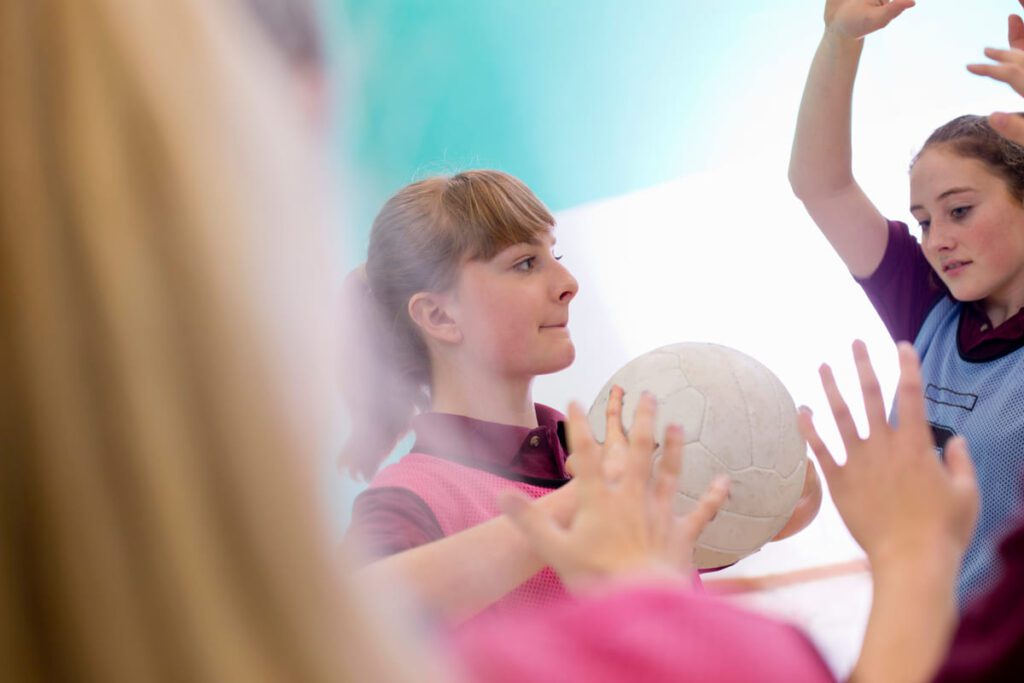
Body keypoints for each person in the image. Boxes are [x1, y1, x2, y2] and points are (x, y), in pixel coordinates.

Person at [341, 170, 823, 620]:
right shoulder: (412, 497)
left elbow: (774, 517)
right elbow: (354, 614)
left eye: (556, 256)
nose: (568, 284)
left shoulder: (607, 445)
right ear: (439, 316)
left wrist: (779, 473)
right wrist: (583, 500)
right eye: (525, 263)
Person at [788, 0, 1024, 607]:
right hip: (921, 638)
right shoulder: (930, 305)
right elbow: (821, 184)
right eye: (923, 221)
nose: (936, 239)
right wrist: (840, 39)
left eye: (959, 210)